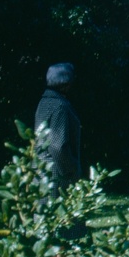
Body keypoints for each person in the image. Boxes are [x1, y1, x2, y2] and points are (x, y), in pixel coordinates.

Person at [35, 62, 85, 238]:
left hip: (42, 172)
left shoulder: (44, 102)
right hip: (57, 175)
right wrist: (71, 169)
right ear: (66, 83)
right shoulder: (60, 107)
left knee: (46, 225)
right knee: (62, 227)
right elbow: (58, 145)